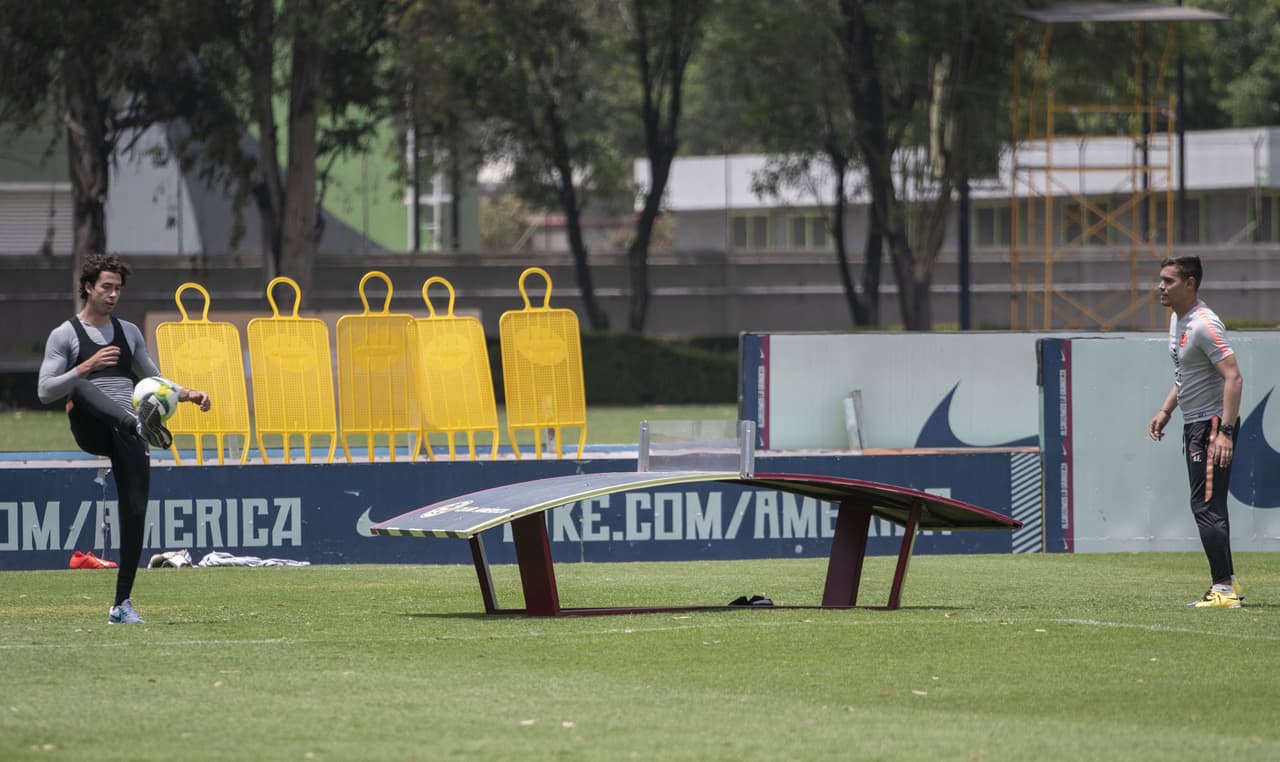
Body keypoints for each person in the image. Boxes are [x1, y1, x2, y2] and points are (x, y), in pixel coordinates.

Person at [37, 253, 211, 625]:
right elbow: (45, 390)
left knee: (134, 511)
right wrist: (85, 366)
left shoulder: (129, 332)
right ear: (88, 287)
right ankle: (137, 425)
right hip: (91, 424)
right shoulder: (65, 334)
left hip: (128, 430)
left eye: (118, 288)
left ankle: (121, 605)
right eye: (106, 287)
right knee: (81, 387)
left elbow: (156, 381)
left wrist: (188, 394)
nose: (113, 294)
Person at [1147, 255, 1244, 609]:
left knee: (1205, 505)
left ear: (1190, 284)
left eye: (1168, 281)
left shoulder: (1204, 324)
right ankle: (1228, 581)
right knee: (1210, 504)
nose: (1160, 286)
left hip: (1212, 425)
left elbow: (1233, 377)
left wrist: (1225, 432)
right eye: (1160, 279)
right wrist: (1166, 410)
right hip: (1196, 422)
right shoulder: (1178, 319)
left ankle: (1223, 590)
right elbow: (1186, 374)